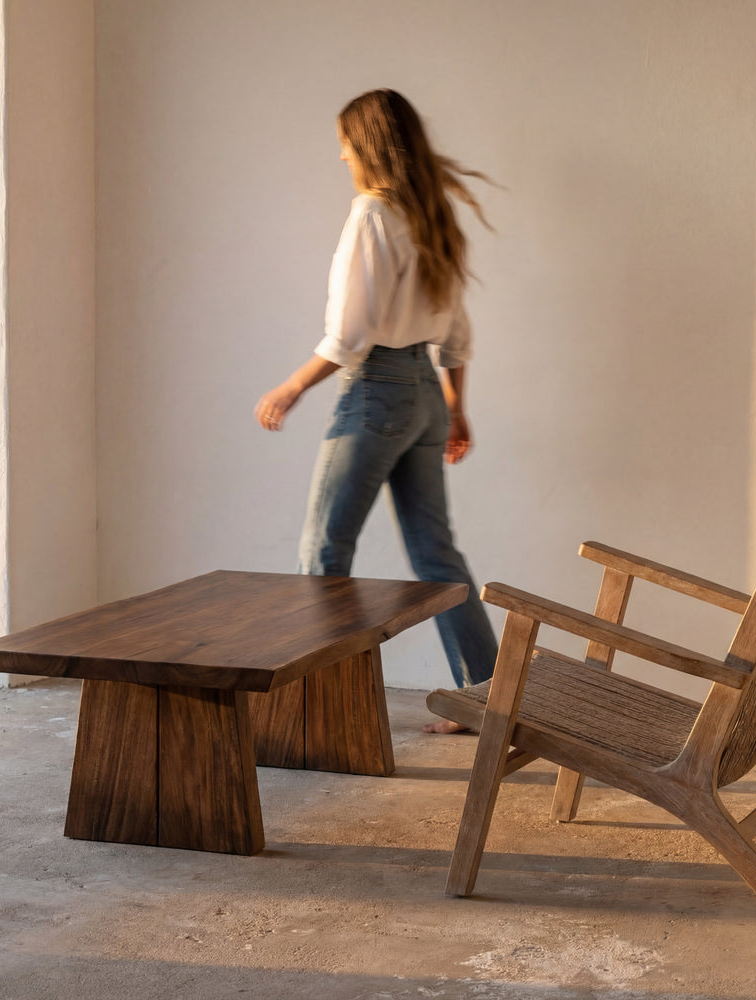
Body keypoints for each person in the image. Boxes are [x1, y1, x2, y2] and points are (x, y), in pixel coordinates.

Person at [254, 89, 497, 731]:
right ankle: (487, 702)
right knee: (437, 556)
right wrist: (454, 407)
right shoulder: (431, 216)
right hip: (423, 391)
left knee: (322, 555)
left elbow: (350, 336)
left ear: (367, 146)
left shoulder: (371, 214)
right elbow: (457, 333)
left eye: (345, 142)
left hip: (375, 390)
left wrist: (292, 386)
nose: (339, 155)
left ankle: (319, 715)